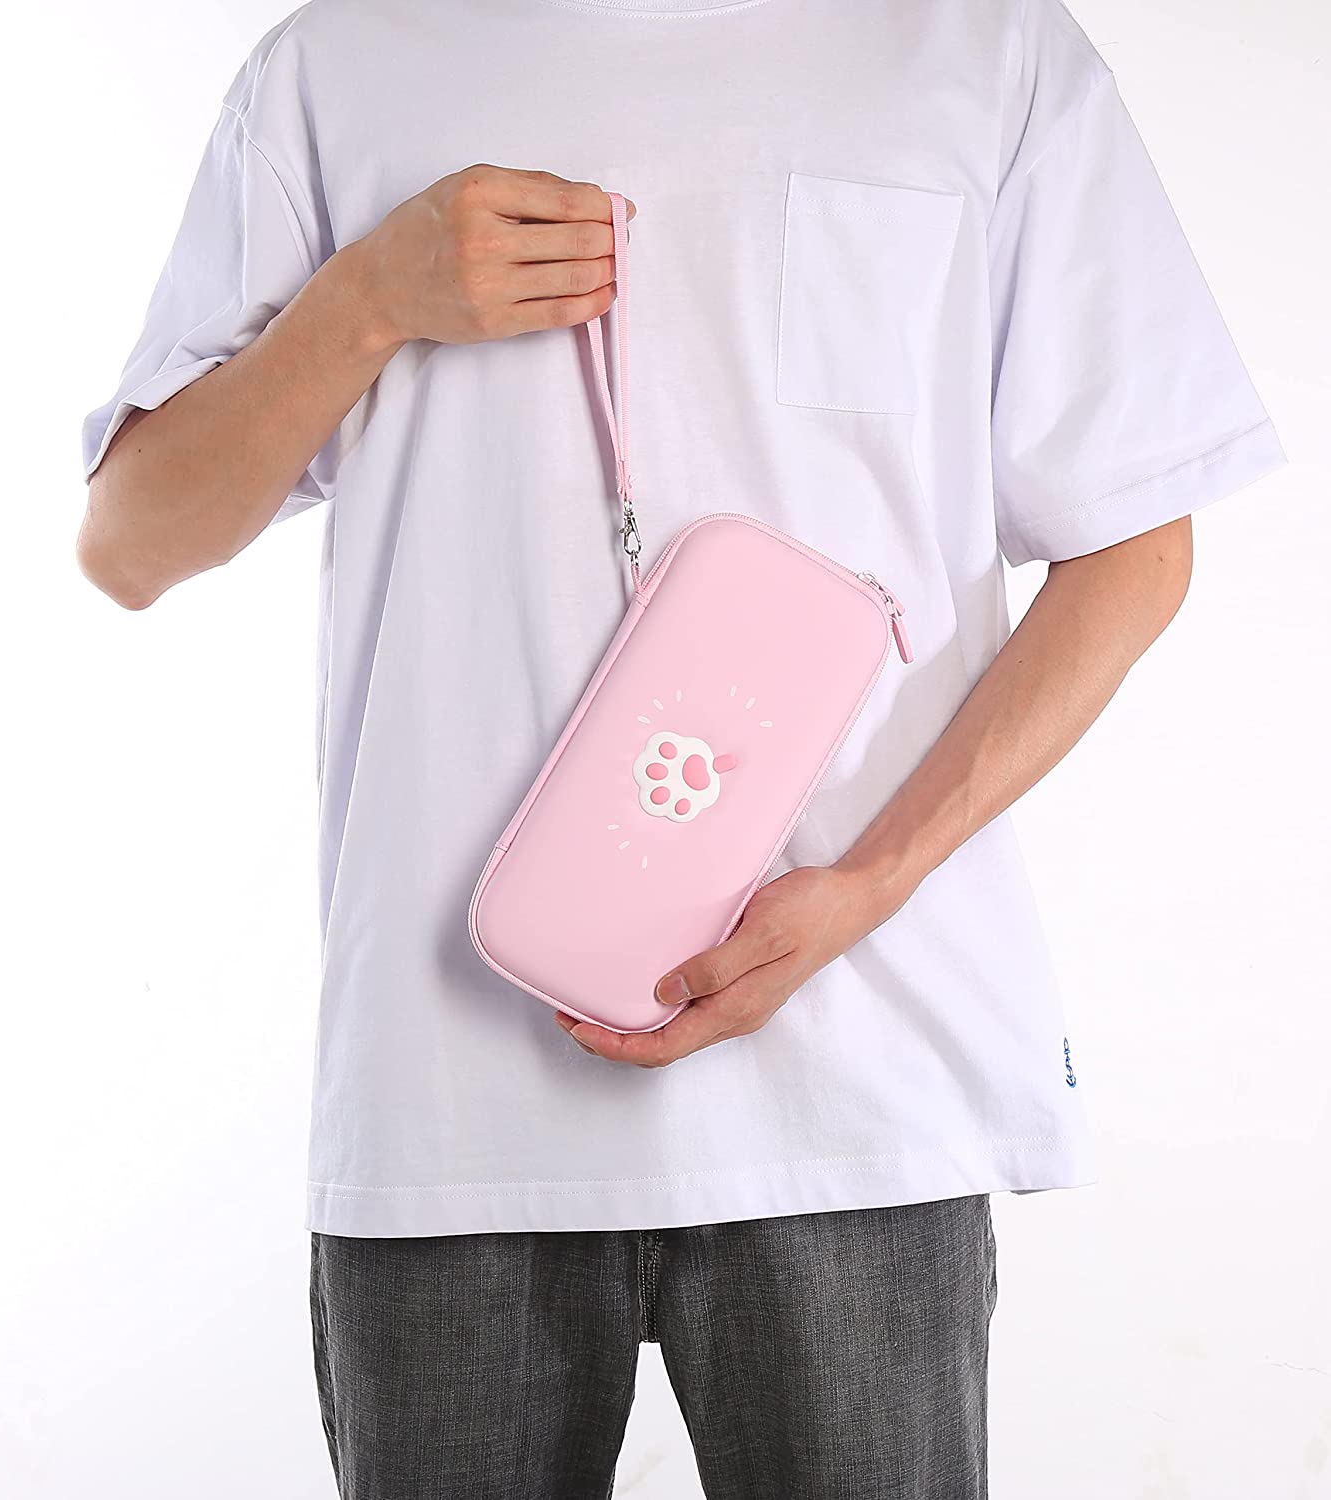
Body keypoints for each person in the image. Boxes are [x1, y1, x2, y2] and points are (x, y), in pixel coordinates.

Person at [77, 1, 1286, 1494]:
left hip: (861, 1079)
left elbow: (1135, 548)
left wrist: (872, 882)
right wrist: (366, 300)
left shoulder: (986, 52)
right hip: (449, 1109)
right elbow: (130, 542)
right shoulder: (337, 67)